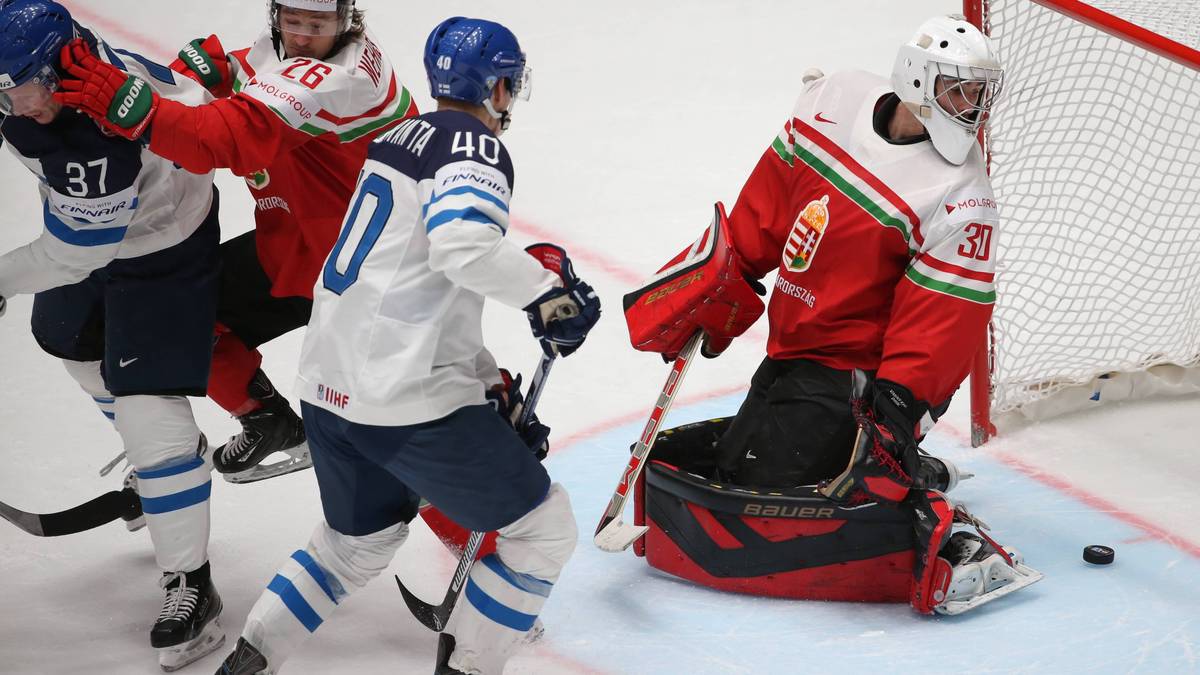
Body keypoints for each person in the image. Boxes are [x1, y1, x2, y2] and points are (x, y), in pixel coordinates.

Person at [211, 16, 600, 675]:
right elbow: (461, 246)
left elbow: (418, 288)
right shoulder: (473, 147)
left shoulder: (396, 138)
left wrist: (482, 387)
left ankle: (248, 661)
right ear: (499, 88)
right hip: (401, 399)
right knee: (544, 529)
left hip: (329, 386)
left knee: (352, 547)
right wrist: (548, 295)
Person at [624, 14, 1039, 615]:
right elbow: (769, 209)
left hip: (859, 379)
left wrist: (896, 413)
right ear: (918, 82)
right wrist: (726, 276)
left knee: (769, 487)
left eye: (980, 92)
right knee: (734, 463)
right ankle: (907, 466)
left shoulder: (961, 194)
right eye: (960, 89)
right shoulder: (835, 102)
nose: (973, 107)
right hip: (794, 352)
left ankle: (939, 521)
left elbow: (942, 320)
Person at [54, 0, 420, 483]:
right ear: (276, 17)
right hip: (302, 251)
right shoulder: (285, 56)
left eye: (319, 24)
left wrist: (138, 107)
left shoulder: (338, 78)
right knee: (180, 316)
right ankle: (265, 419)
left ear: (347, 22)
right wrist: (216, 71)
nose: (305, 35)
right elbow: (252, 72)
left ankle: (488, 535)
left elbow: (222, 139)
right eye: (294, 22)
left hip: (360, 279)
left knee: (411, 437)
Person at [0, 0, 224, 669]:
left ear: (62, 71)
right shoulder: (50, 69)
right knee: (65, 334)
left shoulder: (99, 133)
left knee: (149, 413)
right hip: (100, 227)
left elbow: (74, 253)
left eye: (27, 90)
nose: (18, 105)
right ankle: (168, 460)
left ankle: (193, 586)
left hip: (161, 244)